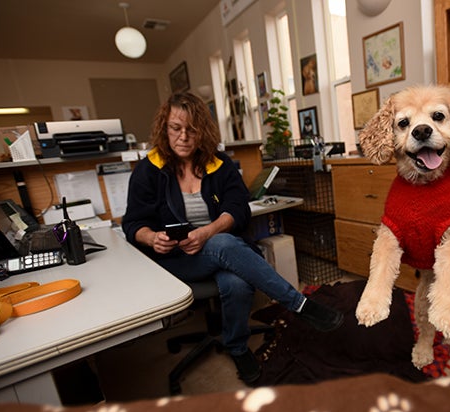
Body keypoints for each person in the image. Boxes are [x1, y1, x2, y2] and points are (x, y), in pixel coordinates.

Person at [122, 91, 343, 385]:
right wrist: (151, 238)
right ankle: (299, 304)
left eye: (192, 129)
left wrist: (207, 232)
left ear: (203, 130)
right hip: (177, 259)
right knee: (225, 243)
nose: (184, 136)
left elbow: (238, 209)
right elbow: (133, 222)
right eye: (176, 128)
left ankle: (237, 348)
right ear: (165, 128)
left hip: (221, 250)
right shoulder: (149, 170)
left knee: (235, 281)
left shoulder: (219, 164)